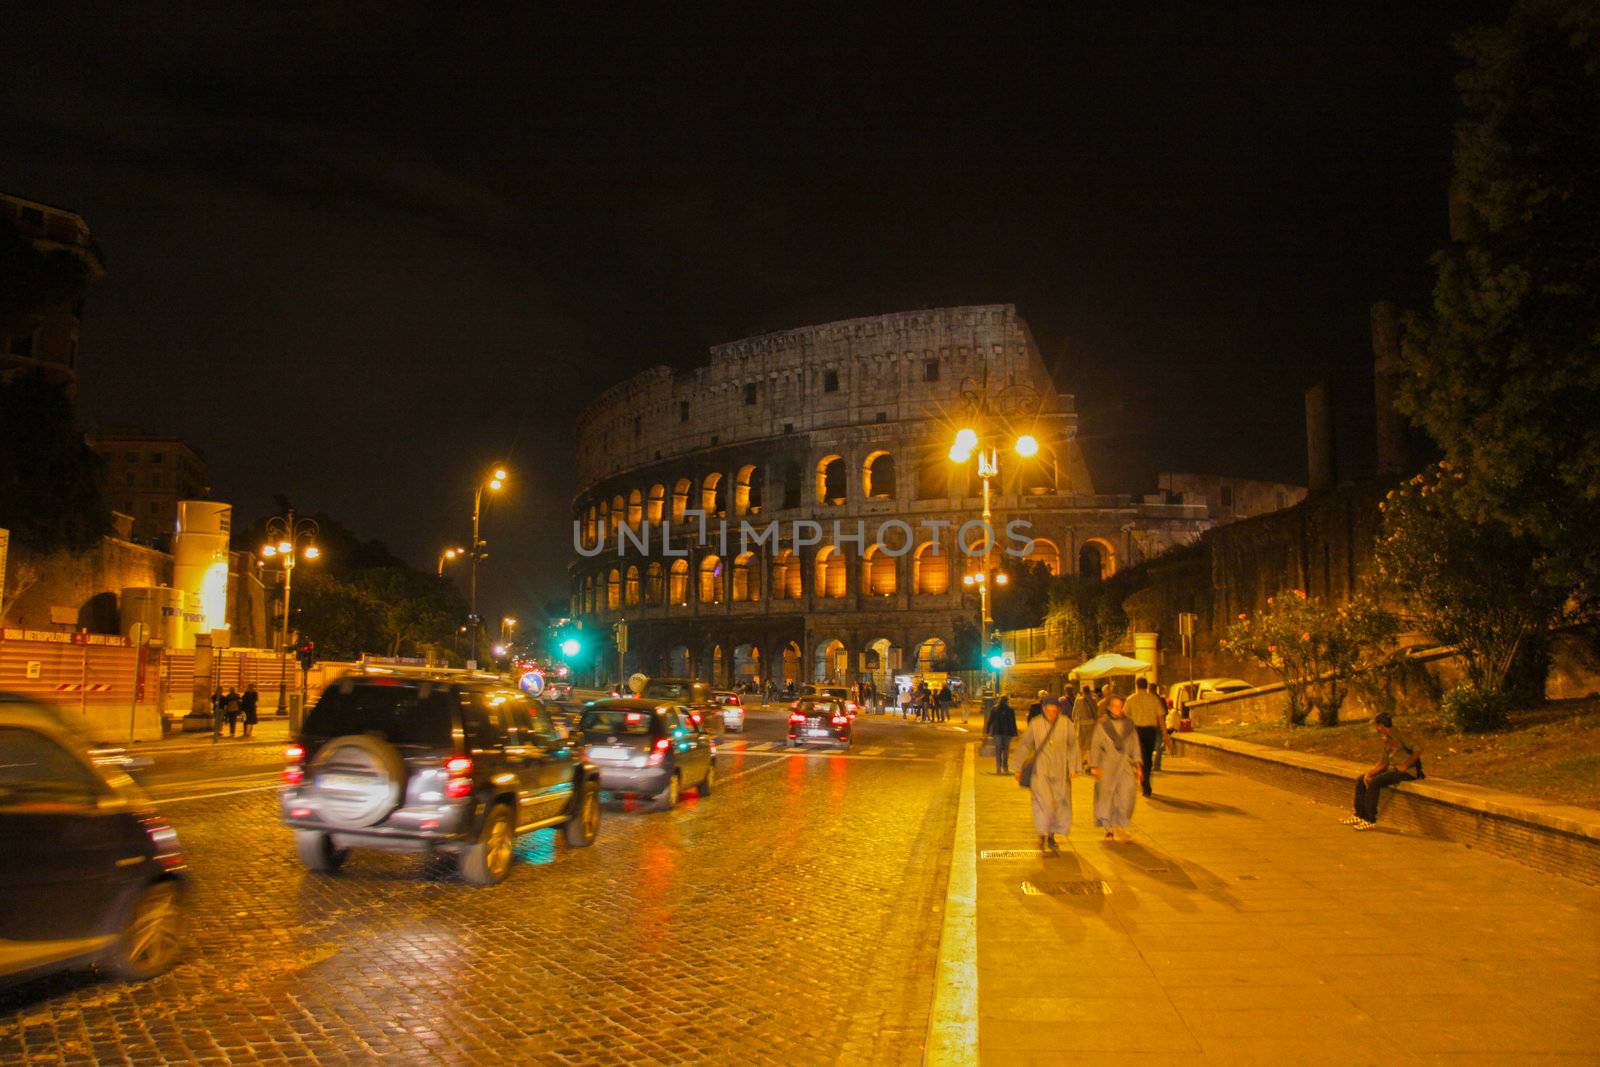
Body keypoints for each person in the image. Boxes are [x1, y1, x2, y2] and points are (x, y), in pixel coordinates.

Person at [1014, 698, 1078, 853]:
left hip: (1060, 770)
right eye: (1048, 710)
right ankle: (1042, 833)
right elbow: (1025, 744)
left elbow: (1073, 745)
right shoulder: (1035, 724)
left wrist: (1073, 766)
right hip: (1040, 770)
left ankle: (1051, 835)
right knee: (1044, 803)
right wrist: (1017, 767)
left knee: (1058, 802)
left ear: (1058, 710)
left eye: (1054, 711)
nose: (1051, 714)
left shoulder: (1066, 724)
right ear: (1043, 709)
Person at [1346, 711, 1424, 830]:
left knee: (1375, 783)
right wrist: (1369, 774)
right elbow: (1383, 763)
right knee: (1361, 780)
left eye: (1376, 726)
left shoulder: (1399, 734)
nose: (1376, 729)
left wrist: (1405, 765)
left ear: (1381, 725)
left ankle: (1370, 820)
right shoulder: (1387, 740)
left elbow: (1418, 749)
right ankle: (1359, 815)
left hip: (1407, 773)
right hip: (1394, 770)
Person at [1090, 695, 1142, 841]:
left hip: (1125, 764)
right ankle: (1108, 829)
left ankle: (1121, 825)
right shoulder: (1102, 724)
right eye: (1114, 706)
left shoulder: (1129, 724)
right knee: (1106, 797)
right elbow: (1095, 745)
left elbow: (1135, 745)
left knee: (1127, 795)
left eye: (1120, 706)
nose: (1117, 709)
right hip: (1107, 764)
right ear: (1109, 707)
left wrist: (1138, 765)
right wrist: (1094, 765)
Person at [1123, 677, 1167, 797]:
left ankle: (1144, 781)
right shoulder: (1153, 699)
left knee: (1140, 757)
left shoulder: (1130, 699)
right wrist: (1166, 735)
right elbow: (1161, 718)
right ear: (1146, 686)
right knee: (1147, 757)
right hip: (1150, 732)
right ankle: (1145, 782)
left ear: (1136, 685)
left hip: (1136, 731)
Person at [984, 695, 1019, 775]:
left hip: (997, 732)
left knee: (998, 749)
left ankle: (998, 767)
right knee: (1006, 749)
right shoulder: (1010, 710)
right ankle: (1005, 766)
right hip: (1007, 732)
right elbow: (1013, 722)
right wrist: (1015, 733)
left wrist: (987, 731)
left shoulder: (995, 709)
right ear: (1007, 701)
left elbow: (990, 721)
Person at [1072, 686, 1098, 770]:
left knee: (1081, 744)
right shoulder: (1094, 700)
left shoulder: (1078, 700)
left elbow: (1074, 713)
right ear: (1089, 691)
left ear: (1082, 691)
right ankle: (1090, 762)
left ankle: (1081, 762)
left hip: (1082, 724)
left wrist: (1074, 721)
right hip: (1092, 724)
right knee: (1090, 744)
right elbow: (1096, 712)